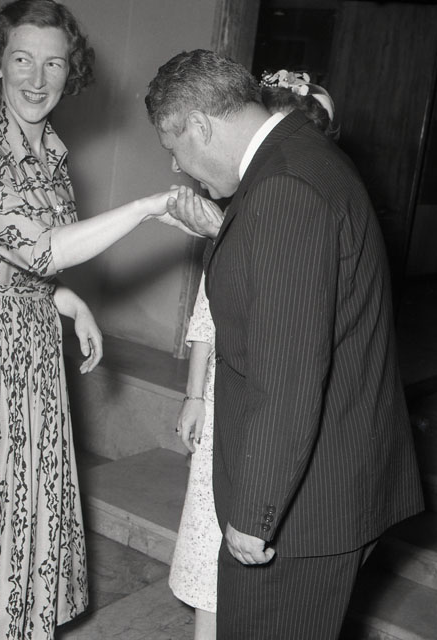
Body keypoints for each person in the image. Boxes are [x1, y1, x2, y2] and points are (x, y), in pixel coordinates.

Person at [0, 1, 171, 638]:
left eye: (54, 63)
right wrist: (148, 207)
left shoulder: (50, 151)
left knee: (26, 503)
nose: (37, 77)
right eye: (22, 59)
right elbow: (43, 250)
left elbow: (19, 258)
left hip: (31, 343)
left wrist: (64, 301)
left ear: (69, 71)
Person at [145, 49, 424, 639]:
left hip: (303, 509)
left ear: (199, 126)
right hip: (331, 481)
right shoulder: (299, 154)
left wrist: (255, 512)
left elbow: (288, 374)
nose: (177, 166)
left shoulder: (283, 188)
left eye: (174, 148)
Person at [168, 70, 339, 640]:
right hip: (233, 398)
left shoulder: (286, 192)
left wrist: (223, 230)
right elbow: (208, 313)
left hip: (268, 414)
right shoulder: (259, 190)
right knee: (210, 554)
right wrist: (194, 393)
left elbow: (288, 360)